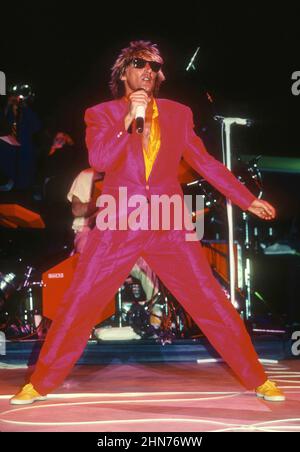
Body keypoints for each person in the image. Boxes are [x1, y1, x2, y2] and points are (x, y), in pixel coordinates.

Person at [11, 40, 285, 405]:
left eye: (155, 67)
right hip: (117, 221)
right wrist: (128, 121)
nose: (149, 71)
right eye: (140, 63)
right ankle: (41, 382)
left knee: (209, 301)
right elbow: (102, 159)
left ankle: (257, 378)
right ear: (123, 71)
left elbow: (206, 163)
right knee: (81, 303)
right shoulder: (102, 113)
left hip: (168, 223)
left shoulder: (178, 114)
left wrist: (246, 199)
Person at [67, 167, 159, 298]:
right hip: (88, 232)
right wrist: (102, 201)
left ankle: (156, 310)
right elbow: (77, 210)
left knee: (146, 260)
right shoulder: (86, 175)